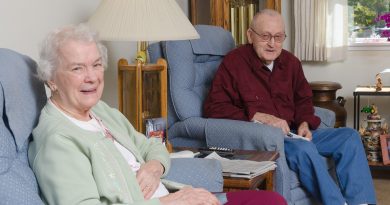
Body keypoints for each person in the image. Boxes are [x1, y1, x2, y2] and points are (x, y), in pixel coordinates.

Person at [28, 24, 287, 205]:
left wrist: (153, 167)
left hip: (169, 196)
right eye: (77, 68)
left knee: (271, 200)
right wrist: (171, 202)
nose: (92, 77)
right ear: (51, 78)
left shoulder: (100, 111)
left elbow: (153, 145)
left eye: (96, 65)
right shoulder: (57, 140)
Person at [203, 9, 376, 205]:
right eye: (265, 36)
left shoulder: (291, 62)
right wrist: (258, 116)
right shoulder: (233, 63)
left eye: (278, 37)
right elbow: (214, 108)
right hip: (266, 140)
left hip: (294, 133)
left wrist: (304, 122)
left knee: (349, 137)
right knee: (303, 149)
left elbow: (303, 99)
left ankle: (362, 202)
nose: (272, 43)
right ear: (250, 35)